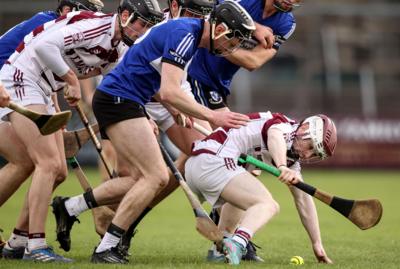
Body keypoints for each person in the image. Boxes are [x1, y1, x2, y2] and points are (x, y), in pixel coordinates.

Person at [51, 1, 255, 264]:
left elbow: (156, 76)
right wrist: (213, 115)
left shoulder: (188, 35)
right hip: (120, 99)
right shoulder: (186, 35)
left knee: (137, 179)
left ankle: (69, 207)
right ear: (220, 30)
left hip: (125, 99)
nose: (232, 48)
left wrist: (173, 107)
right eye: (233, 39)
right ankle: (107, 247)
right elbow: (169, 89)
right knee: (156, 176)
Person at [0, 0, 163, 262]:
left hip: (43, 87)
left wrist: (143, 116)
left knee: (59, 172)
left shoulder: (120, 47)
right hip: (22, 77)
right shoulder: (96, 27)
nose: (142, 31)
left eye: (148, 27)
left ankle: (17, 241)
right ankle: (36, 246)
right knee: (48, 163)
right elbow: (43, 46)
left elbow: (115, 86)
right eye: (140, 23)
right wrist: (71, 79)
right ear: (124, 15)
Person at [185, 0, 302, 261]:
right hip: (194, 77)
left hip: (218, 87)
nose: (292, 2)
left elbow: (252, 61)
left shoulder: (286, 23)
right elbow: (208, 14)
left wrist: (219, 41)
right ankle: (232, 236)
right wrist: (252, 28)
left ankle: (230, 234)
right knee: (236, 162)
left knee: (202, 160)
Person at [0, 0, 104, 260]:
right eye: (87, 12)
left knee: (51, 169)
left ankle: (17, 241)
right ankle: (29, 244)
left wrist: (57, 117)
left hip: (21, 90)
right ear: (68, 10)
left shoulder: (62, 30)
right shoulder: (44, 24)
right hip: (6, 88)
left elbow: (43, 78)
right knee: (29, 162)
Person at [185, 112, 336, 265]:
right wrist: (281, 165)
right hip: (212, 161)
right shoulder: (284, 126)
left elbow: (303, 199)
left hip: (199, 166)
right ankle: (237, 244)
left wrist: (317, 243)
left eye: (313, 154)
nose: (307, 154)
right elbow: (274, 135)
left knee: (244, 197)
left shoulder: (292, 160)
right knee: (267, 205)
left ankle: (220, 248)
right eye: (310, 146)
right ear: (304, 128)